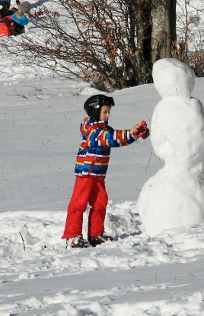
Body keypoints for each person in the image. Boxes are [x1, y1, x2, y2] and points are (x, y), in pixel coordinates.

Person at [61, 95, 149, 248]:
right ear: (95, 112)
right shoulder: (92, 131)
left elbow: (118, 139)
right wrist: (131, 133)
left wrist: (136, 134)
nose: (108, 115)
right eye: (105, 112)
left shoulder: (104, 129)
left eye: (109, 112)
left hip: (99, 174)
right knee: (79, 203)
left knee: (100, 202)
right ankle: (72, 236)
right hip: (86, 173)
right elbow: (110, 138)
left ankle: (95, 234)